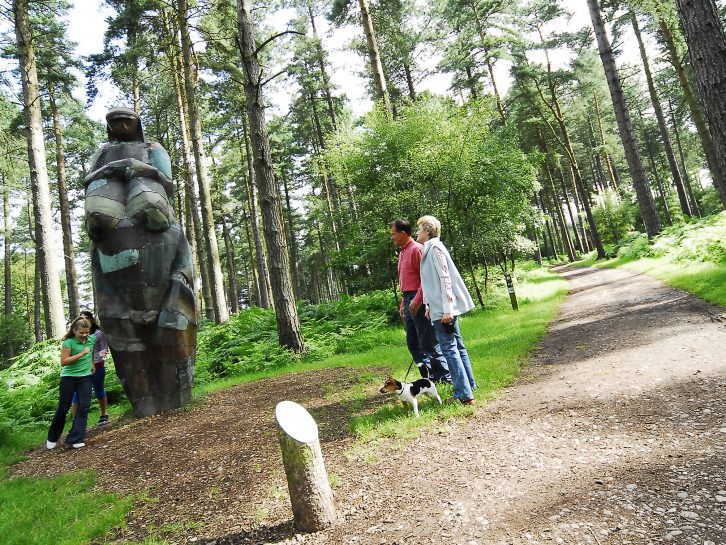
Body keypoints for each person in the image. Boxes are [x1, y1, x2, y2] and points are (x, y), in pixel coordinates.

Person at [416, 215, 477, 405]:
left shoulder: (435, 249)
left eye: (419, 229)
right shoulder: (430, 249)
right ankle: (469, 386)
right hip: (438, 308)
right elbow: (429, 282)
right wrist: (427, 304)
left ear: (427, 231)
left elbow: (445, 279)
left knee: (449, 349)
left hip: (444, 311)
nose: (417, 233)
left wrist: (447, 309)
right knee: (457, 347)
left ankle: (464, 395)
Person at [389, 219, 450, 382]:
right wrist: (404, 302)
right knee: (413, 342)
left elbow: (426, 278)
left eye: (394, 234)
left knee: (428, 341)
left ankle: (444, 378)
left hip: (420, 299)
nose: (392, 237)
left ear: (403, 233)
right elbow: (407, 281)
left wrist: (417, 300)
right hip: (408, 298)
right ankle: (428, 379)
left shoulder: (417, 249)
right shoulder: (402, 252)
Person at [46, 317, 96, 450]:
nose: (84, 335)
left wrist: (92, 364)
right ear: (74, 331)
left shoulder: (92, 339)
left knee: (84, 406)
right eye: (81, 333)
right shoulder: (68, 343)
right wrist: (81, 354)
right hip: (68, 378)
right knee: (64, 407)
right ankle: (52, 437)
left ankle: (75, 438)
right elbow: (64, 361)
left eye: (87, 332)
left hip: (85, 377)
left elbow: (90, 352)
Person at [71, 311, 110, 426]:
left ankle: (104, 414)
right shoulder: (76, 335)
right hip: (81, 368)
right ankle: (75, 421)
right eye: (82, 318)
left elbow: (105, 350)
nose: (85, 320)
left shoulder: (98, 334)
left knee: (99, 390)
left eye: (87, 318)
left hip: (97, 367)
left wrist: (95, 357)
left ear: (91, 319)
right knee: (76, 393)